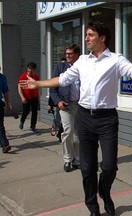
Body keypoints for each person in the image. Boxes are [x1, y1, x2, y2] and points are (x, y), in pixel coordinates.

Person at [19, 19, 132, 216]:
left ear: (102, 37)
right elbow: (62, 79)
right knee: (87, 169)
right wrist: (38, 85)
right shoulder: (82, 61)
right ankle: (93, 207)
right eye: (86, 35)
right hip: (84, 118)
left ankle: (104, 192)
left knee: (109, 166)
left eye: (90, 35)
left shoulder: (115, 59)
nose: (86, 38)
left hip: (107, 119)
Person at [49, 44, 81, 172]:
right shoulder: (60, 67)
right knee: (68, 132)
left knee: (79, 134)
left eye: (70, 53)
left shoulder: (83, 68)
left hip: (81, 105)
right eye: (66, 53)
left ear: (77, 55)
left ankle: (77, 159)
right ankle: (68, 159)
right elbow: (52, 88)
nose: (67, 56)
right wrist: (58, 102)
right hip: (66, 105)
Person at [18, 62, 40, 133]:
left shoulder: (36, 77)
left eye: (32, 69)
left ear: (34, 69)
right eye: (29, 68)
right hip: (26, 97)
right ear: (27, 68)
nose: (31, 70)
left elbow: (38, 88)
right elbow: (20, 87)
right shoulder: (23, 76)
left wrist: (38, 98)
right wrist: (22, 97)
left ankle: (32, 126)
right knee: (26, 111)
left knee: (34, 112)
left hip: (34, 97)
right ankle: (22, 121)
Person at [0, 66, 12, 153]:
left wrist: (8, 103)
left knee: (0, 125)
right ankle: (4, 143)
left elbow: (5, 91)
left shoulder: (2, 77)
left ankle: (4, 144)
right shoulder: (2, 77)